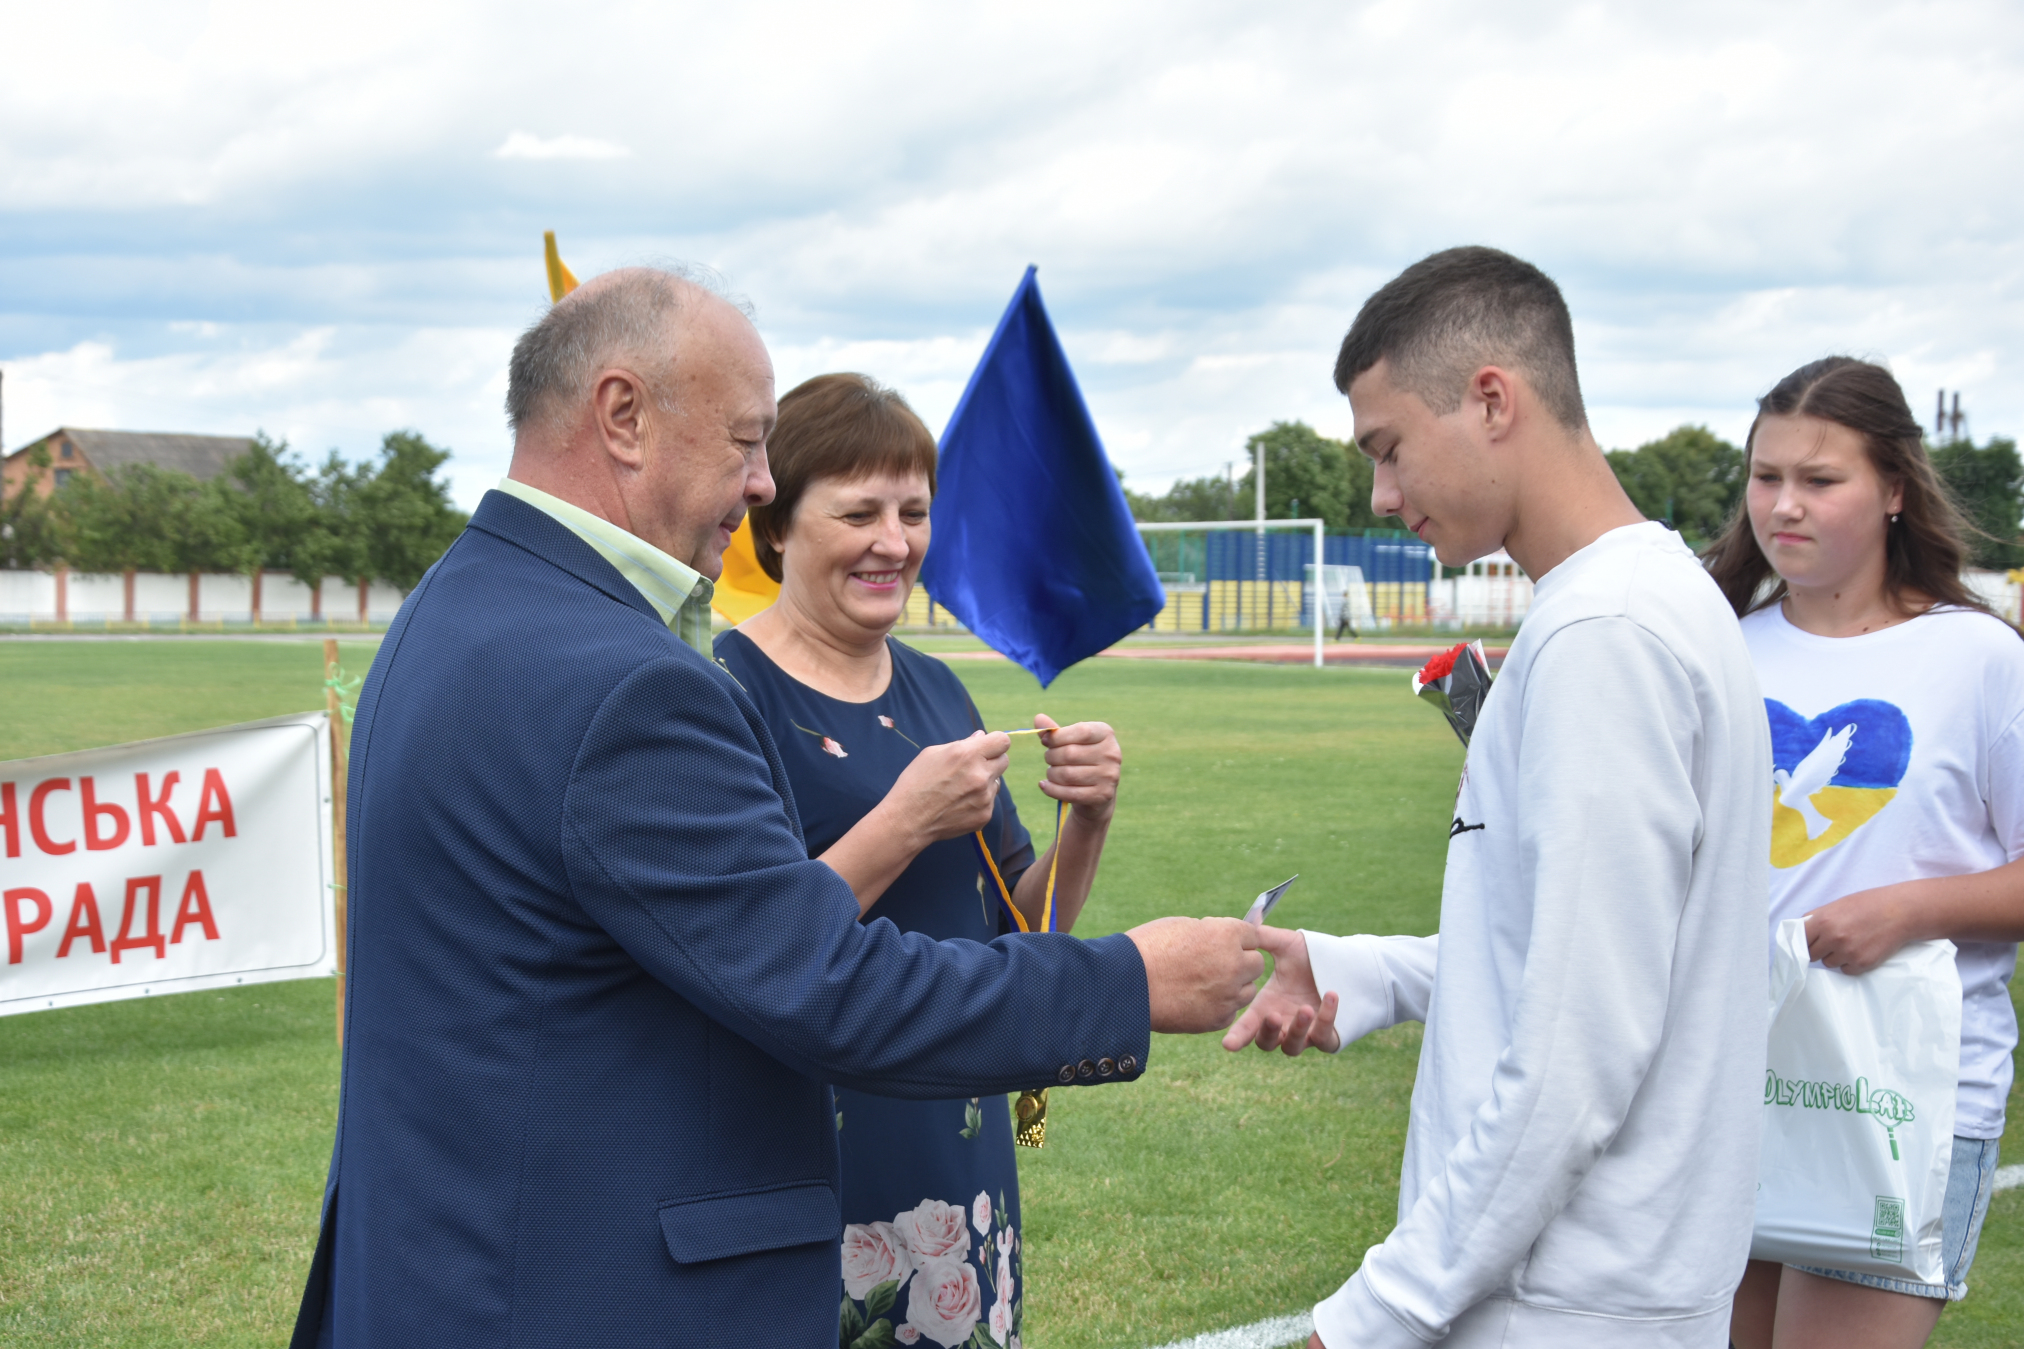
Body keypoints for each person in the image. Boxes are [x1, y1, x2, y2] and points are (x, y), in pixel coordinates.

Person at [288, 267, 1265, 1348]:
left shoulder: (454, 606)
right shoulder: (629, 680)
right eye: (747, 442)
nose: (758, 483)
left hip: (453, 1272)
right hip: (574, 1290)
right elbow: (823, 979)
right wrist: (1128, 980)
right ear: (622, 415)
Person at [1223, 246, 1772, 1348]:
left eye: (1388, 449)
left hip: (1564, 1302)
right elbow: (1580, 957)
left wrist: (1372, 1314)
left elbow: (1576, 1049)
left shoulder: (1605, 634)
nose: (1381, 495)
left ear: (1490, 400)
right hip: (1597, 1292)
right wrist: (1359, 968)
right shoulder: (1634, 600)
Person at [713, 370, 1123, 1347]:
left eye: (913, 511)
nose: (893, 542)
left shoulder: (940, 690)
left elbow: (1025, 923)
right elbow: (752, 943)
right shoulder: (724, 693)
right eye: (859, 512)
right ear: (777, 524)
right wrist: (904, 818)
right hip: (803, 1151)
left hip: (960, 1145)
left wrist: (1088, 817)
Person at [1706, 357, 2024, 1349]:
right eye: (1765, 476)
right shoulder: (1716, 646)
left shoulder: (1979, 658)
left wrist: (1905, 910)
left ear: (1893, 489)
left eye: (1819, 479)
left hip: (1902, 1094)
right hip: (1727, 1080)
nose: (1782, 505)